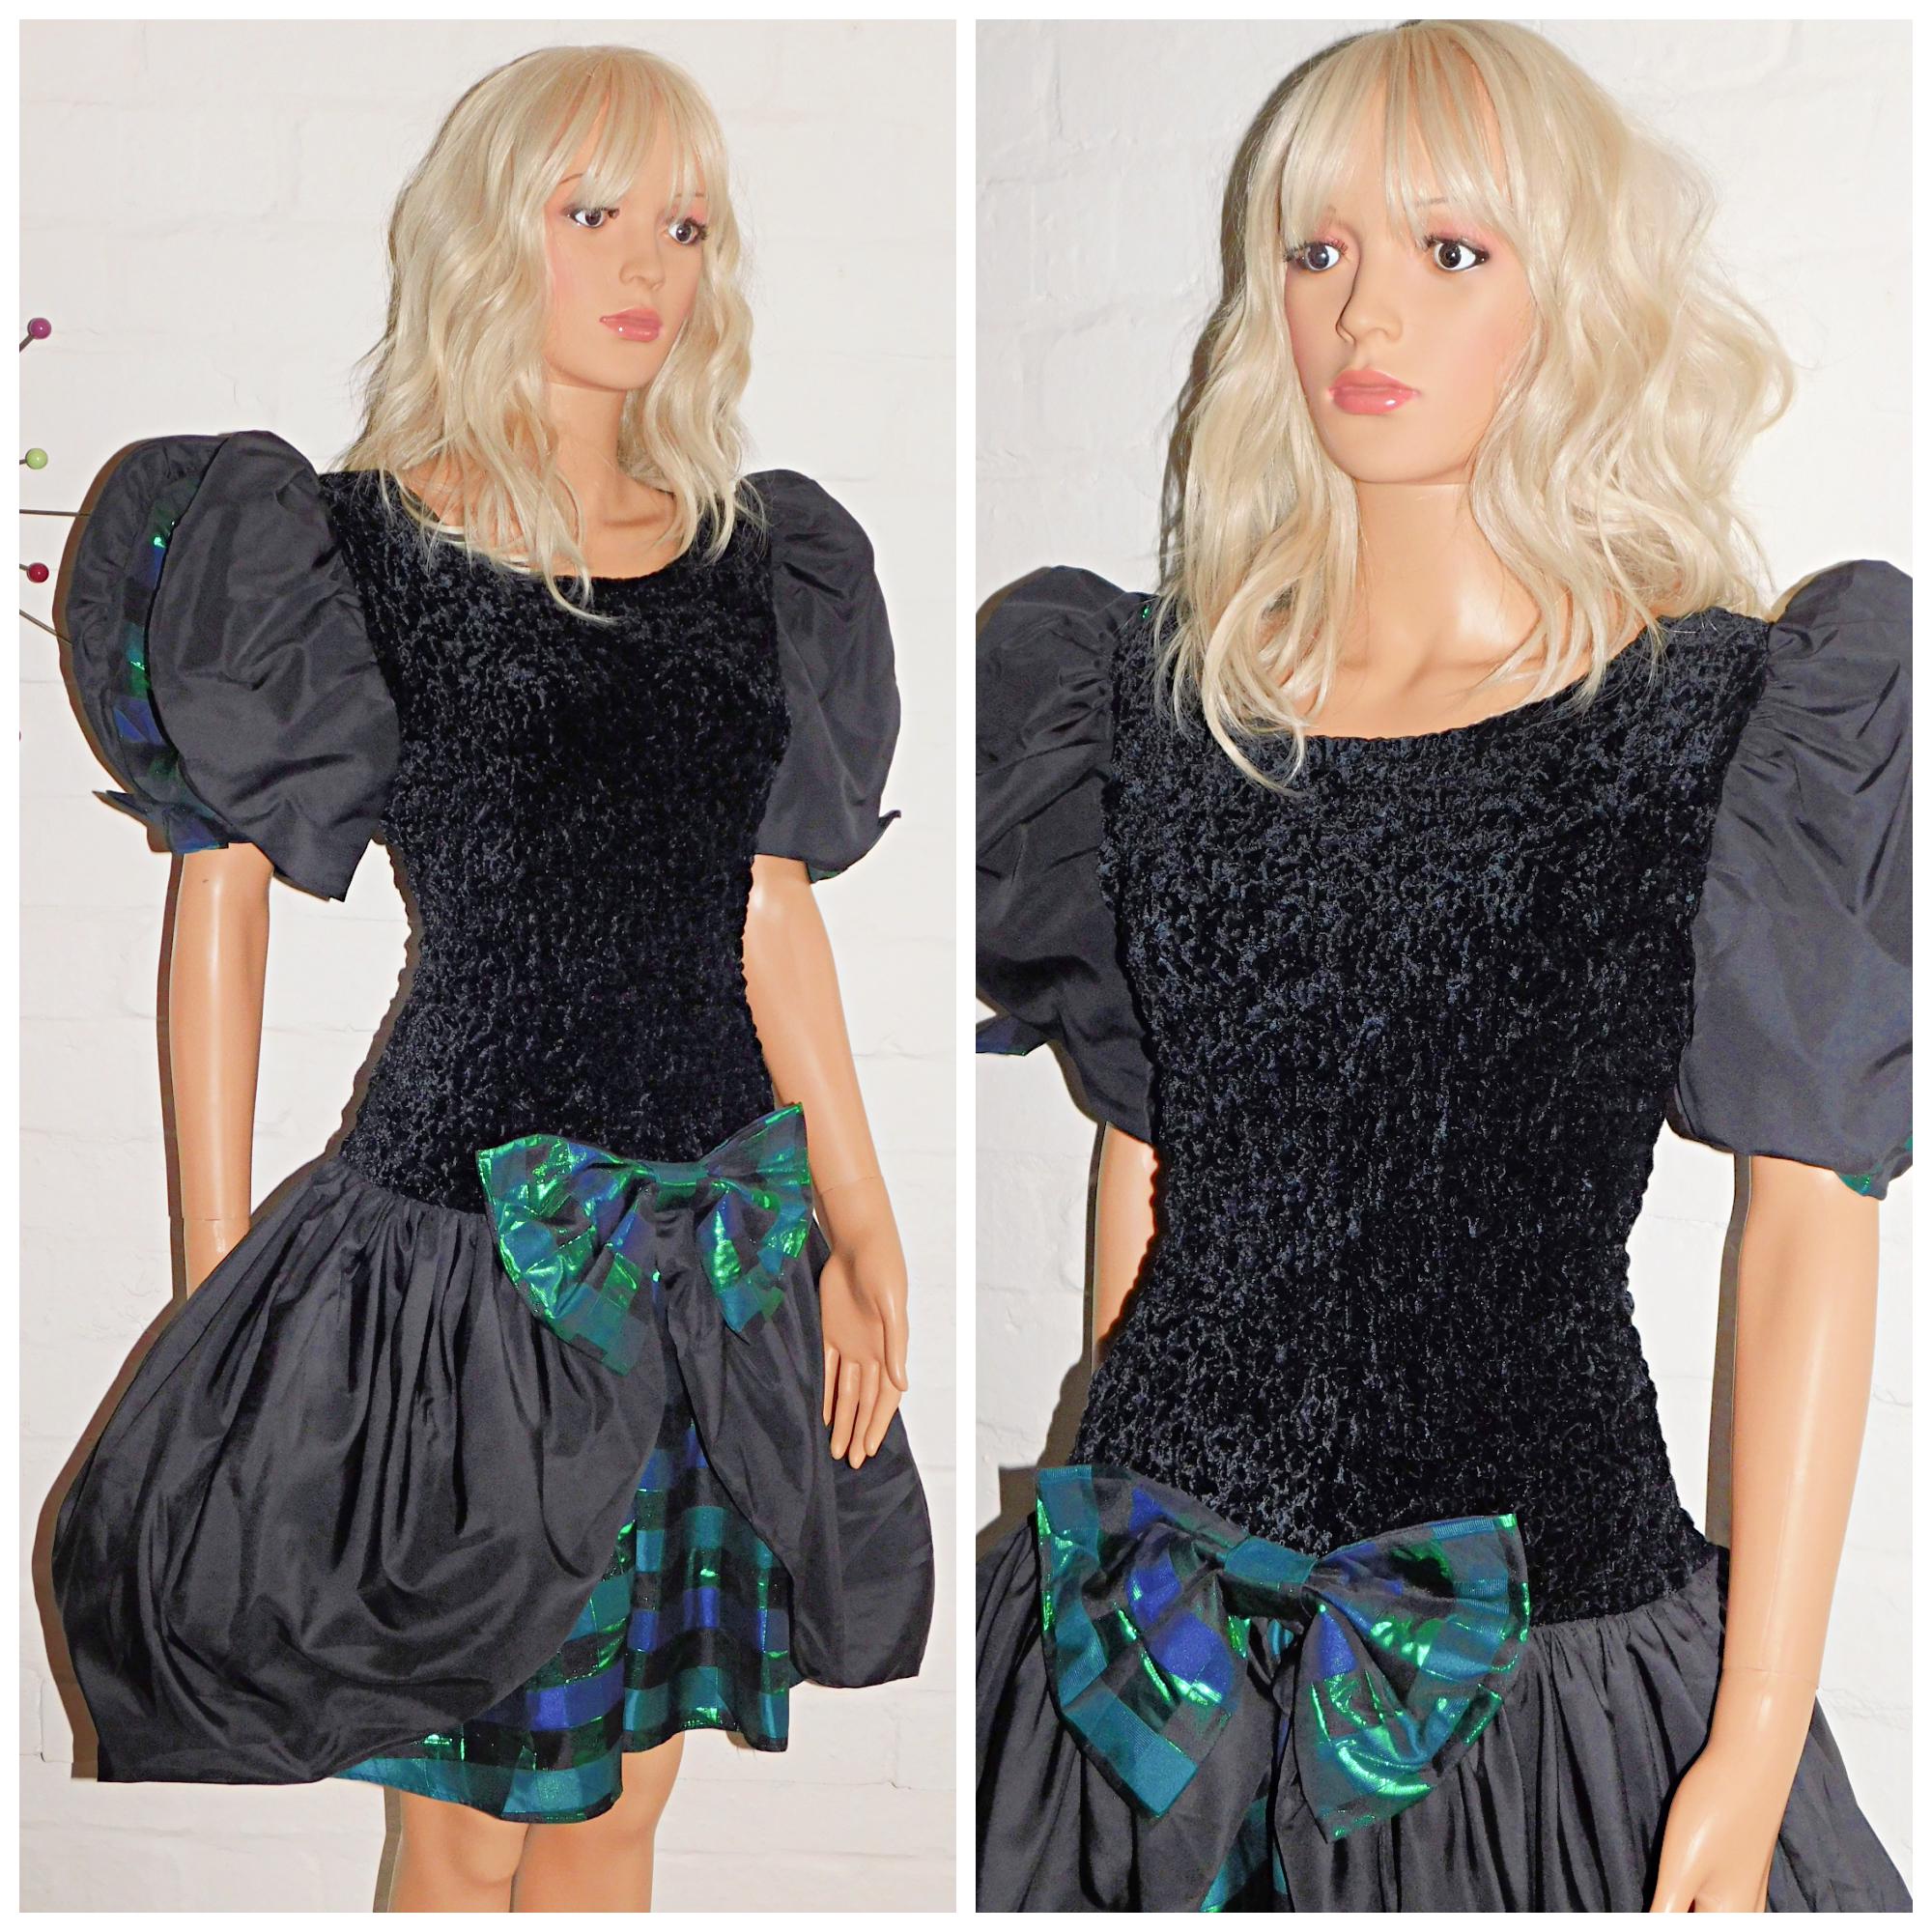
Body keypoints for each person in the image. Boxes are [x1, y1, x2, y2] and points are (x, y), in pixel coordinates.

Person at [976, 21, 1908, 1913]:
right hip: (1153, 1632)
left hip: (1536, 1652)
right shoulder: (1153, 709)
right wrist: (1104, 1509)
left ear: (1568, 294)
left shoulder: (1710, 722)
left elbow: (1810, 1215)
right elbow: (1150, 1147)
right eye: (1317, 251)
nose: (1362, 312)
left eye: (1448, 250)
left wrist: (1753, 1727)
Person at [53, 43, 932, 1914]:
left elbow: (770, 910)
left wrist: (865, 1226)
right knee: (457, 1830)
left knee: (620, 1810)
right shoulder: (354, 545)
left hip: (714, 1266)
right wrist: (219, 1294)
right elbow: (226, 892)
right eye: (591, 212)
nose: (647, 263)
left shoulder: (754, 563)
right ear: (487, 234)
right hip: (468, 1271)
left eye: (682, 223)